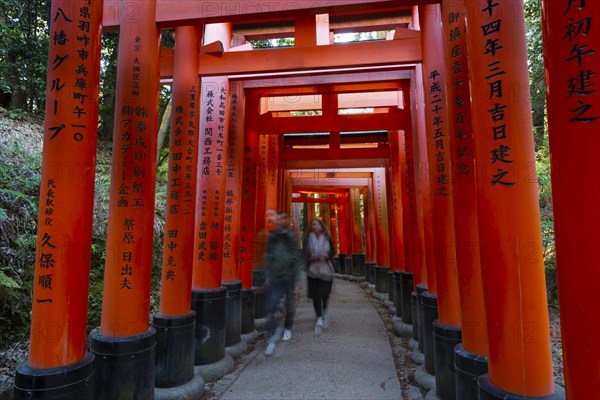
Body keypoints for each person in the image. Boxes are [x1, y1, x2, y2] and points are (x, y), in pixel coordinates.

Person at [263, 210, 302, 356]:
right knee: (271, 306)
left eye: (282, 219)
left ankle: (287, 328)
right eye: (278, 219)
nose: (280, 221)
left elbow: (296, 257)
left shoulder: (290, 236)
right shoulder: (272, 236)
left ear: (286, 220)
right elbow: (268, 256)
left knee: (289, 305)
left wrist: (297, 280)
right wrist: (267, 275)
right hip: (275, 277)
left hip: (289, 277)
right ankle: (271, 334)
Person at [303, 219, 335, 335]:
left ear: (321, 226)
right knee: (315, 294)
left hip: (326, 270)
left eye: (317, 224)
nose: (315, 226)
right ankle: (319, 317)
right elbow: (304, 253)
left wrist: (327, 255)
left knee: (324, 293)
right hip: (313, 270)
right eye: (313, 224)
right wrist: (309, 258)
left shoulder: (327, 237)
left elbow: (333, 252)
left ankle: (325, 308)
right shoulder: (308, 238)